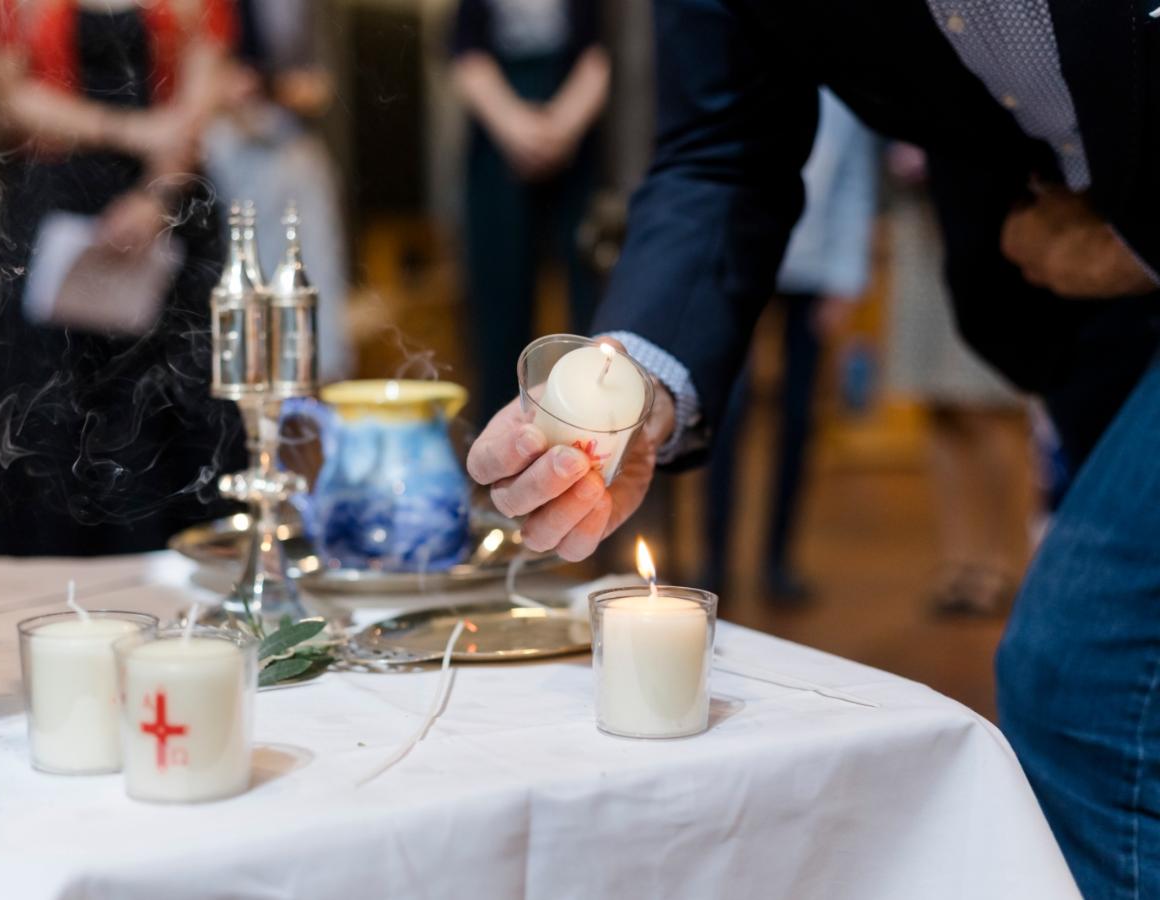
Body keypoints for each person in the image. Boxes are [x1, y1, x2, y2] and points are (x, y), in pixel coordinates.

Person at [466, 2, 1160, 896]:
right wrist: (634, 388)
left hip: (1110, 254)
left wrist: (1141, 241)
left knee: (1090, 673)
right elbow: (724, 147)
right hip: (1075, 303)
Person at [0, 0, 244, 556]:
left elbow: (200, 97)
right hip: (53, 203)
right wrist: (133, 131)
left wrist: (157, 197)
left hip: (172, 203)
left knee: (174, 398)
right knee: (44, 410)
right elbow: (7, 97)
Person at [705, 89, 878, 603]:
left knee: (799, 416)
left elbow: (853, 183)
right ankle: (714, 562)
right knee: (726, 411)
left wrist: (846, 278)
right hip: (739, 263)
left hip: (814, 271)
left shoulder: (844, 88)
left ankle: (778, 561)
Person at [885, 143, 1034, 617]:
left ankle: (1006, 562)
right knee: (941, 406)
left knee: (989, 404)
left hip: (992, 217)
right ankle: (959, 561)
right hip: (920, 217)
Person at [450, 0, 610, 423]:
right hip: (497, 137)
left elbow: (600, 49)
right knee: (498, 300)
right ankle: (501, 438)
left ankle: (592, 427)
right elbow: (465, 50)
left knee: (589, 297)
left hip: (576, 135)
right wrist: (515, 128)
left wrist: (560, 128)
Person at [203, 0, 353, 383]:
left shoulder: (308, 12)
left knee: (311, 277)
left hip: (287, 139)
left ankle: (311, 389)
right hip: (223, 147)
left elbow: (318, 84)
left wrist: (271, 88)